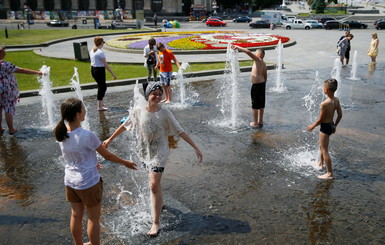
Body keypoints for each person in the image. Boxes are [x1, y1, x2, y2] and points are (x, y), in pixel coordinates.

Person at [103, 82, 202, 237]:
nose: (157, 96)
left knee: (153, 184)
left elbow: (180, 131)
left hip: (160, 152)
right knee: (155, 184)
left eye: (159, 93)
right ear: (147, 95)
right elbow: (125, 126)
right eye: (153, 93)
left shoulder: (165, 113)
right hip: (145, 151)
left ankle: (156, 223)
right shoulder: (138, 110)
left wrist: (195, 147)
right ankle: (160, 203)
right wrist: (109, 139)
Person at [54, 98, 137, 245]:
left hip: (70, 181)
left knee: (75, 215)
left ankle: (78, 243)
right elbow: (107, 155)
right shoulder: (87, 135)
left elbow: (75, 154)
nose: (86, 110)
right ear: (78, 114)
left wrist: (92, 163)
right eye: (84, 108)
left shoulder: (61, 134)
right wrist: (126, 162)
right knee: (93, 218)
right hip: (88, 182)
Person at [0, 46, 43, 135]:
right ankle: (11, 129)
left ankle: (0, 128)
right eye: (3, 52)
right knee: (8, 108)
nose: (5, 53)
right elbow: (21, 70)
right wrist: (37, 72)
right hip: (7, 90)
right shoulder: (5, 64)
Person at [307, 79, 342, 180]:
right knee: (321, 145)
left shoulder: (324, 104)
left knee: (324, 150)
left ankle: (329, 173)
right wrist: (335, 125)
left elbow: (320, 120)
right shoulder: (336, 100)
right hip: (330, 125)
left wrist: (312, 126)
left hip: (325, 127)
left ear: (325, 90)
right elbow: (340, 115)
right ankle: (320, 163)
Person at [232, 45, 267, 128]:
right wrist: (264, 84)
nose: (254, 54)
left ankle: (255, 123)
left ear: (259, 55)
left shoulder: (257, 60)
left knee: (255, 105)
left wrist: (238, 47)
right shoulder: (263, 64)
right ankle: (260, 121)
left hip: (256, 86)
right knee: (261, 105)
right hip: (262, 84)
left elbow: (248, 51)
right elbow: (265, 75)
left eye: (256, 53)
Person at [90, 36, 117, 111]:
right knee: (102, 87)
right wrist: (113, 75)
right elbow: (106, 65)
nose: (103, 44)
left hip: (93, 69)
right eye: (103, 42)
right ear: (101, 43)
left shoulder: (92, 50)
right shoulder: (100, 52)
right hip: (99, 70)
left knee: (102, 86)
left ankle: (101, 102)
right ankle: (100, 106)